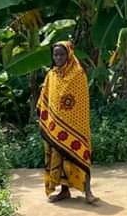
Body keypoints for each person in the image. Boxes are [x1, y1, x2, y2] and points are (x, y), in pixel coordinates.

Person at [36, 41, 97, 203]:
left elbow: (82, 101)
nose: (58, 58)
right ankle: (64, 191)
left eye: (61, 54)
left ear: (69, 54)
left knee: (81, 155)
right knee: (60, 157)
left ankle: (88, 191)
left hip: (76, 125)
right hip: (56, 127)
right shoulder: (52, 75)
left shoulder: (78, 74)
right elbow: (46, 98)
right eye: (55, 55)